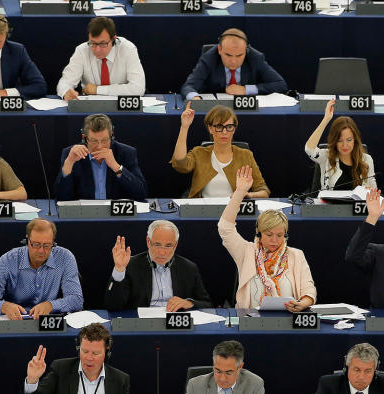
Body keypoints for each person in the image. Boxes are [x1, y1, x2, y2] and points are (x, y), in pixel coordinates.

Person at [220, 167, 315, 310]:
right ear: (259, 233)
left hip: (288, 320)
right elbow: (225, 227)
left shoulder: (296, 255)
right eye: (269, 235)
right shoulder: (246, 251)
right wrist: (239, 193)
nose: (274, 240)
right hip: (251, 321)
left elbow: (308, 289)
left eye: (279, 235)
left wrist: (304, 303)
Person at [22, 324, 132, 394]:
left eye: (95, 353)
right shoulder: (61, 369)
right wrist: (32, 380)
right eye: (84, 351)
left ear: (107, 352)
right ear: (78, 348)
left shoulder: (120, 379)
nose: (89, 358)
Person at [0, 218, 83, 319]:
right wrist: (3, 306)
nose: (41, 250)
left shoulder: (65, 258)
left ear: (53, 242)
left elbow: (76, 299)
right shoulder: (8, 260)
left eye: (47, 245)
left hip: (48, 323)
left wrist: (51, 305)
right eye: (36, 244)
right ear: (27, 240)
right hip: (16, 321)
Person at [104, 220, 212, 311]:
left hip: (176, 325)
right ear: (148, 242)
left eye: (168, 246)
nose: (162, 252)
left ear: (176, 245)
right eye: (157, 245)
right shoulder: (130, 265)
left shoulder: (188, 268)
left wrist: (189, 303)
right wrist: (119, 269)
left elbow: (208, 305)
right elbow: (113, 307)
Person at [172, 104, 269, 198]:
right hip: (204, 210)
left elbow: (263, 191)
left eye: (229, 127)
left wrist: (248, 195)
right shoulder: (199, 153)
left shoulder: (245, 155)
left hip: (234, 209)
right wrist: (184, 127)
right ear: (210, 128)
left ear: (234, 129)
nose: (225, 132)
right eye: (219, 127)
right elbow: (180, 164)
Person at [55, 113, 147, 201]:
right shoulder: (71, 154)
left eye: (104, 140)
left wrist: (116, 166)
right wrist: (69, 162)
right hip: (85, 215)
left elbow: (141, 193)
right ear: (85, 138)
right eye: (94, 141)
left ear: (111, 136)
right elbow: (61, 197)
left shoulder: (126, 153)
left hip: (116, 215)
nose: (99, 146)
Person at [56, 17, 145, 100]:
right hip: (91, 107)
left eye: (103, 44)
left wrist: (98, 90)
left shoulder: (128, 49)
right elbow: (65, 82)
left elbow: (138, 88)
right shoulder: (82, 50)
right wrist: (66, 92)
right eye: (93, 43)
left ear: (114, 39)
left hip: (120, 106)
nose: (97, 50)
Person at [181, 28, 287, 99]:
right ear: (219, 50)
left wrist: (246, 90)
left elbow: (280, 85)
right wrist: (195, 97)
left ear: (246, 51)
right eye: (228, 55)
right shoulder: (209, 58)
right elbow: (189, 86)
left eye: (239, 55)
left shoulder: (255, 58)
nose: (233, 61)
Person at [304, 99, 377, 192]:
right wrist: (326, 119)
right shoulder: (326, 157)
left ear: (355, 140)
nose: (345, 145)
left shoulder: (367, 160)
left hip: (355, 206)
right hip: (330, 206)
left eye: (349, 140)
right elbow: (309, 149)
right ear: (334, 141)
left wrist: (370, 191)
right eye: (340, 141)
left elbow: (374, 191)